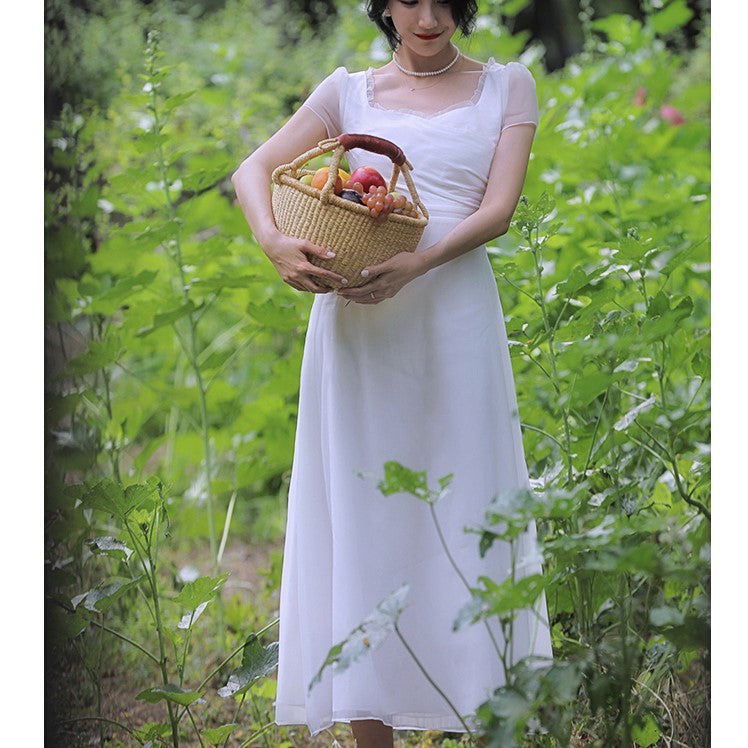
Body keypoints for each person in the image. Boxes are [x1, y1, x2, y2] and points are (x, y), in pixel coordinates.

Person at [231, 1, 554, 746]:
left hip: (455, 320)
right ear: (383, 6)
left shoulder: (509, 87)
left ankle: (471, 715)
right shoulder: (349, 91)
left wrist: (420, 262)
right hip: (360, 333)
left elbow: (498, 210)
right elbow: (254, 170)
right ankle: (371, 732)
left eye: (445, 0)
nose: (429, 16)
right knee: (366, 516)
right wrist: (276, 242)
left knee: (465, 509)